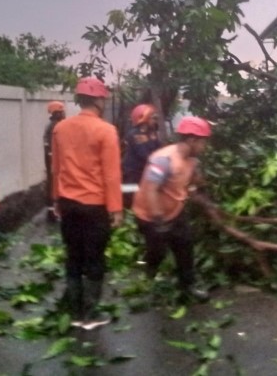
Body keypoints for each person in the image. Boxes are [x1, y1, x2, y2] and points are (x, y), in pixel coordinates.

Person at [50, 77, 123, 329]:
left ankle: (74, 312)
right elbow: (111, 175)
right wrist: (116, 209)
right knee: (94, 258)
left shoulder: (61, 128)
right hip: (95, 206)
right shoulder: (106, 131)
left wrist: (56, 200)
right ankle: (89, 315)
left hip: (68, 203)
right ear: (99, 100)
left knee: (73, 256)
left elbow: (56, 169)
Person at [132, 116, 212, 302]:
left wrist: (202, 192)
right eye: (203, 142)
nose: (205, 147)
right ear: (191, 140)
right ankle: (148, 274)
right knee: (157, 251)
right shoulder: (163, 159)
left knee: (185, 246)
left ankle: (188, 285)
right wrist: (158, 219)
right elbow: (151, 189)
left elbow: (189, 184)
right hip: (151, 215)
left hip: (175, 212)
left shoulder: (192, 161)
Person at [121, 104, 162, 206]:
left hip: (143, 173)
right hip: (132, 175)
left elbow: (160, 150)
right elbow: (145, 155)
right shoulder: (135, 134)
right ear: (144, 118)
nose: (155, 121)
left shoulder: (152, 134)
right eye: (153, 118)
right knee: (130, 201)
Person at [43, 100, 66, 222]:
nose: (64, 114)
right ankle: (52, 213)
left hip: (51, 158)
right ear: (56, 113)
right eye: (61, 112)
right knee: (53, 184)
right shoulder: (54, 126)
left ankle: (52, 211)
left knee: (52, 183)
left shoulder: (53, 125)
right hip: (52, 158)